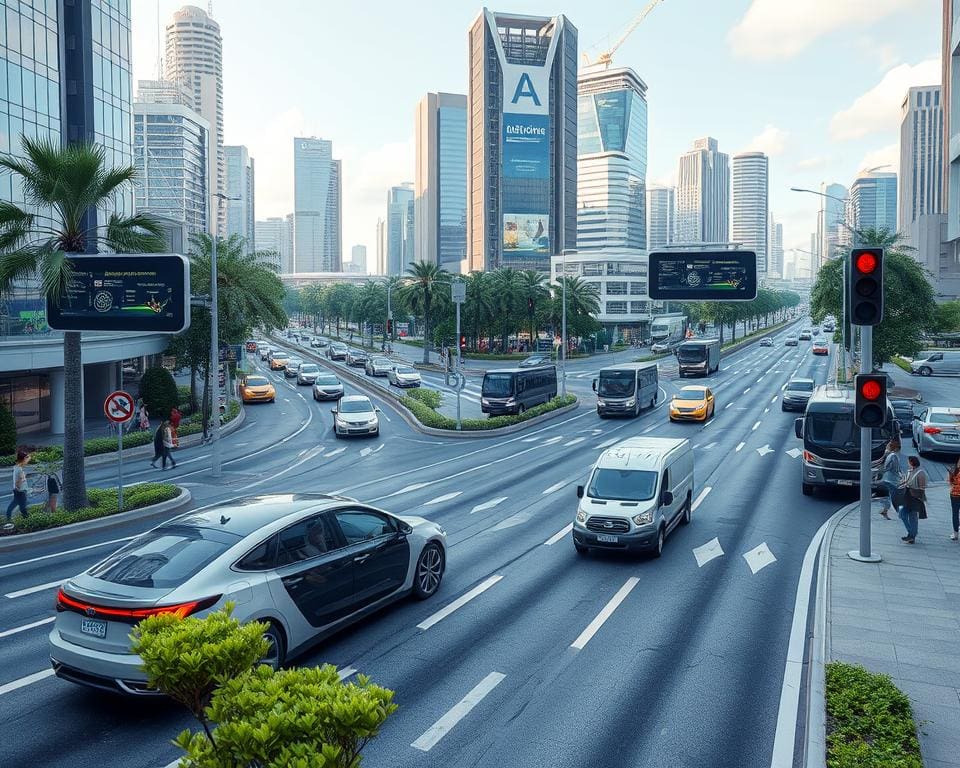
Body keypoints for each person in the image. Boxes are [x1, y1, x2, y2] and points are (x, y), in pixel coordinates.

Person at [897, 455, 928, 544]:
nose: (907, 463)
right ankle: (912, 533)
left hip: (915, 498)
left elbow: (922, 488)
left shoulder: (920, 473)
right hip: (907, 497)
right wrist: (901, 484)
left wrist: (919, 497)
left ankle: (911, 536)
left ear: (911, 462)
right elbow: (905, 481)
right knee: (902, 514)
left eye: (908, 462)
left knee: (913, 517)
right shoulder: (909, 471)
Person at [4, 450, 30, 529]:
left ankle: (8, 518)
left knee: (14, 505)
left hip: (19, 491)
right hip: (20, 492)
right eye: (26, 459)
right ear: (23, 459)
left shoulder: (17, 468)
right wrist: (20, 485)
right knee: (23, 509)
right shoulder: (19, 470)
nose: (27, 461)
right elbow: (17, 482)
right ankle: (29, 522)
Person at [878, 438, 903, 520]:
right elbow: (894, 468)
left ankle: (885, 511)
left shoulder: (888, 454)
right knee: (895, 497)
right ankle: (900, 513)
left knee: (890, 496)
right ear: (896, 448)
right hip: (892, 479)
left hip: (888, 478)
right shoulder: (893, 456)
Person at [948, 457, 960, 541]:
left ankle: (955, 534)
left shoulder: (954, 470)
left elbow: (950, 482)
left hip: (955, 494)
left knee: (955, 514)